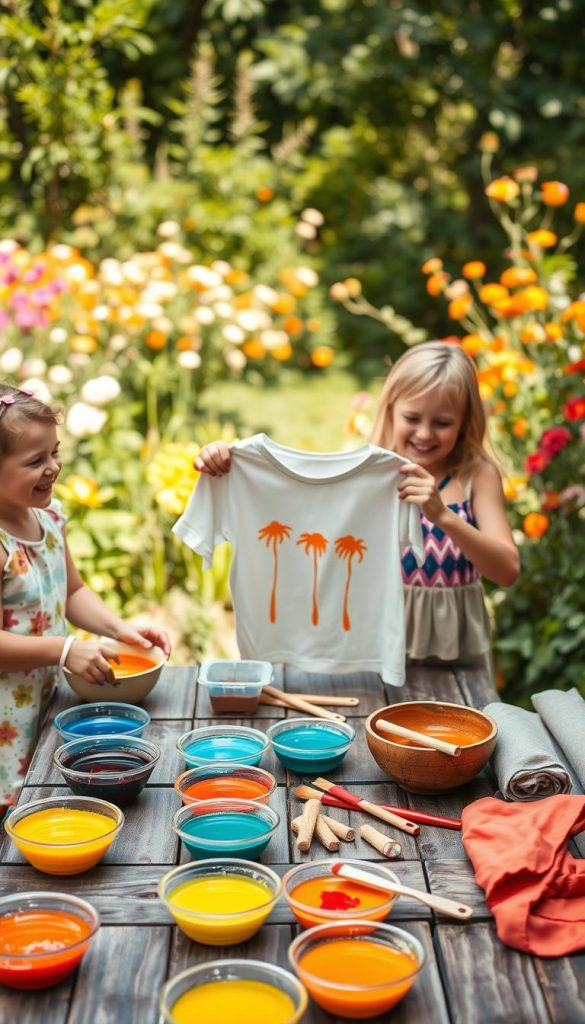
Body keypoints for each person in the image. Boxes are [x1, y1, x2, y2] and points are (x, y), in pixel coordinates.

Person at [194, 341, 520, 668]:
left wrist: (443, 516)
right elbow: (298, 497)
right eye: (412, 417)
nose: (424, 433)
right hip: (374, 649)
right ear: (390, 408)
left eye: (442, 422)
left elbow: (507, 571)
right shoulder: (369, 473)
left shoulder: (476, 475)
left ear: (465, 421)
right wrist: (234, 461)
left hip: (456, 652)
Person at [0, 384, 170, 809]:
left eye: (55, 452)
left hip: (42, 700)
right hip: (4, 718)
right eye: (35, 461)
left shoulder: (50, 518)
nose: (53, 467)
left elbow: (71, 590)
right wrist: (63, 649)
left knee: (36, 790)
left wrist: (121, 630)